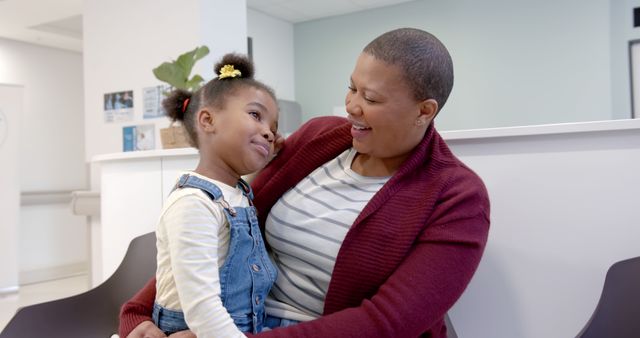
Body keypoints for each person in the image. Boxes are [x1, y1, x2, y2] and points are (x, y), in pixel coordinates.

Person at [119, 27, 490, 338]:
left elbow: (389, 322)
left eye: (371, 98)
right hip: (232, 323)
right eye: (352, 88)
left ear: (424, 111)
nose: (351, 106)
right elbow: (218, 236)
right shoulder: (318, 138)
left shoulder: (456, 197)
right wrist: (142, 313)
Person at [147, 53, 280, 337]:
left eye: (273, 127)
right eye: (256, 115)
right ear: (207, 120)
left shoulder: (239, 194)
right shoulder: (193, 203)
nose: (269, 133)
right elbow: (202, 309)